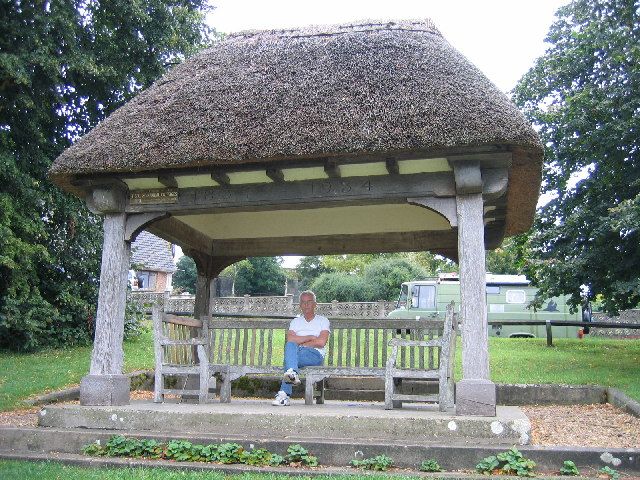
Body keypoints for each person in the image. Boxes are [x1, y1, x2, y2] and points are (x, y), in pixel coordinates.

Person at [272, 290, 330, 406]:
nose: (306, 305)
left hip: (315, 355)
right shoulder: (295, 322)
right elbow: (290, 340)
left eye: (309, 302)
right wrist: (310, 337)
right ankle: (291, 377)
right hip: (297, 352)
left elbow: (321, 342)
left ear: (315, 304)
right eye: (303, 302)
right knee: (290, 347)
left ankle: (284, 394)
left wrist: (301, 342)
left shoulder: (323, 321)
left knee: (290, 358)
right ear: (300, 305)